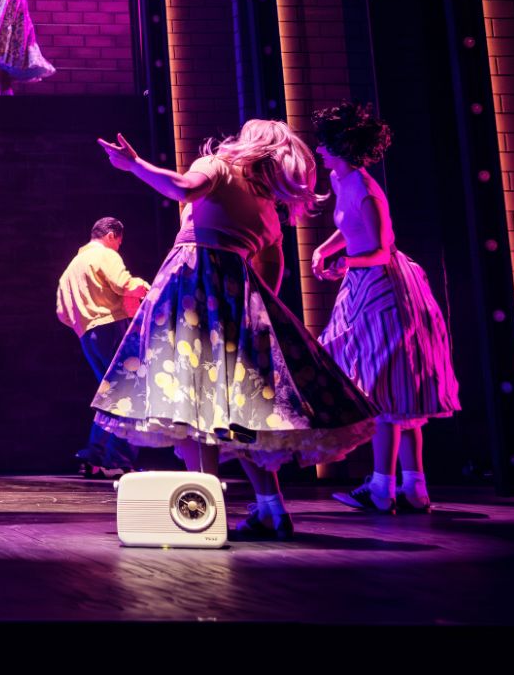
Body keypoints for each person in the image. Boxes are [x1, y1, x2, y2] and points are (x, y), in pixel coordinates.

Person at [92, 122, 376, 540]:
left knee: (187, 407)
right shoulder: (267, 206)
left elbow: (182, 188)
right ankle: (271, 507)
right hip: (237, 301)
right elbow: (272, 267)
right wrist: (250, 311)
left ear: (250, 142)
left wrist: (135, 165)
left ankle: (205, 512)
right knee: (237, 418)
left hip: (191, 291)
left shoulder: (218, 167)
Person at [311, 102, 461, 513]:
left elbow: (380, 248)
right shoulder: (340, 179)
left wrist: (345, 262)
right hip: (363, 285)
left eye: (323, 143)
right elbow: (349, 229)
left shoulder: (364, 190)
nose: (318, 150)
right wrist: (325, 249)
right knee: (392, 388)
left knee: (384, 389)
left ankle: (383, 488)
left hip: (385, 288)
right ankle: (413, 488)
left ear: (340, 146)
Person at [55, 216, 148, 476]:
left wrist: (83, 323)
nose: (118, 248)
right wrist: (145, 287)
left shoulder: (71, 268)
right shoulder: (104, 254)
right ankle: (117, 460)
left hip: (87, 335)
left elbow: (62, 313)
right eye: (119, 242)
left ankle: (94, 456)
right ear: (111, 236)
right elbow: (123, 284)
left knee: (110, 395)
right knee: (130, 392)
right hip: (111, 327)